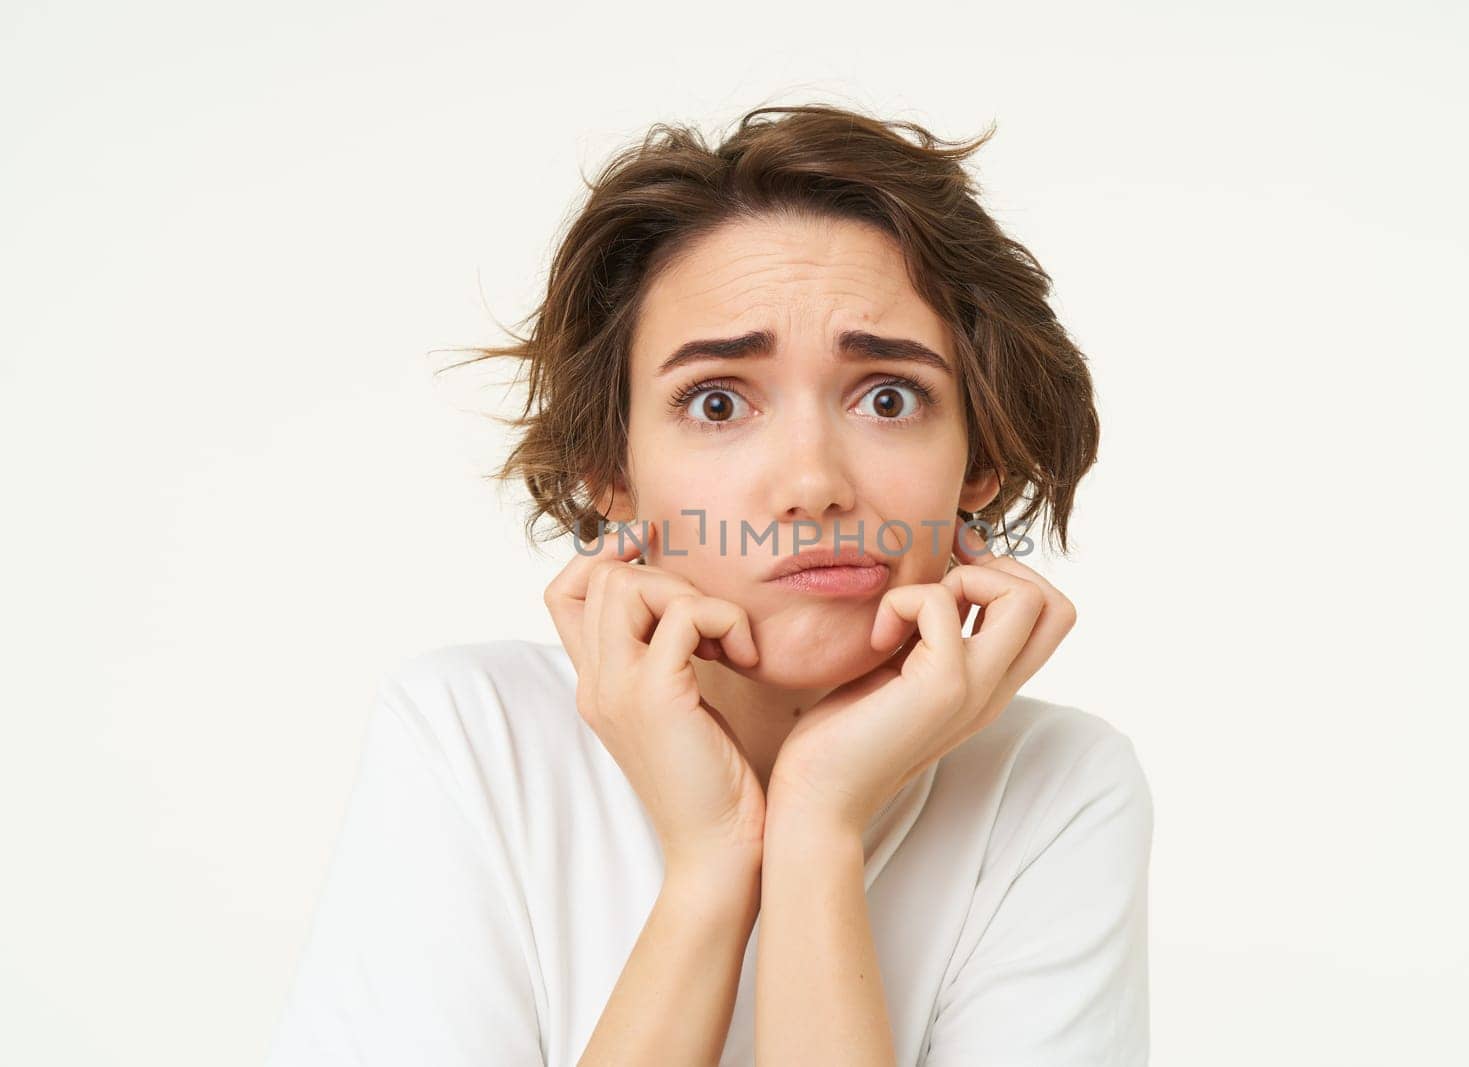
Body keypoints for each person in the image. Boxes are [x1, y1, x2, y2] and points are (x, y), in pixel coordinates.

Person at [264, 103, 1154, 1066]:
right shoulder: (474, 738)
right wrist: (711, 865)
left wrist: (817, 825)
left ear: (976, 460)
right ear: (613, 471)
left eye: (888, 397)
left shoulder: (1055, 785)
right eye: (718, 401)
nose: (813, 484)